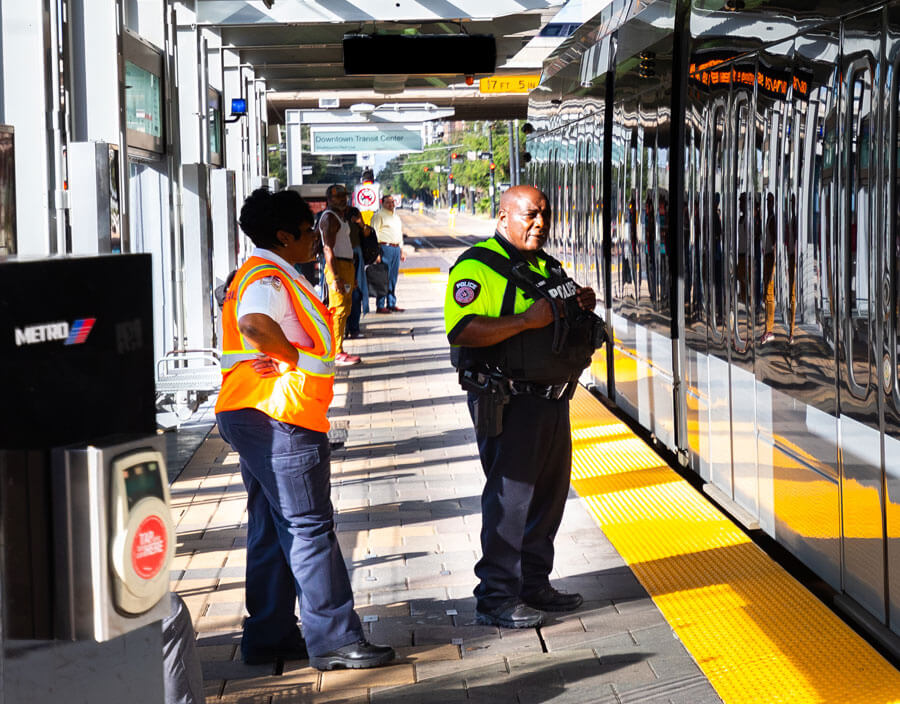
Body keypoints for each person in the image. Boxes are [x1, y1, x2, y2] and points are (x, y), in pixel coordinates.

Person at [215, 188, 394, 671]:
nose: (317, 241)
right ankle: (334, 639)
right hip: (280, 418)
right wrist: (290, 358)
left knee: (272, 528)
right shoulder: (269, 276)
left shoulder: (263, 271)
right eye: (308, 232)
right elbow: (254, 323)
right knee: (310, 528)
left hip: (252, 412)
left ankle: (269, 635)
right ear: (282, 236)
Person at [443, 185, 606, 629]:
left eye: (544, 215)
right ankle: (495, 596)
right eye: (530, 215)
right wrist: (524, 321)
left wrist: (579, 304)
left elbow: (555, 317)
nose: (540, 223)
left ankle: (534, 584)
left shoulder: (544, 265)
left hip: (553, 401)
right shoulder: (478, 267)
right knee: (511, 501)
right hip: (509, 401)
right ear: (503, 218)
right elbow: (462, 330)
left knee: (549, 498)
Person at [319, 184, 360, 365]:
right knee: (338, 310)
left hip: (346, 266)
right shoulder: (330, 218)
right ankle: (336, 352)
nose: (342, 200)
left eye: (344, 196)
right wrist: (336, 277)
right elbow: (328, 248)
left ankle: (339, 348)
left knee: (345, 309)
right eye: (337, 197)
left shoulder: (340, 218)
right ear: (329, 199)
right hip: (338, 267)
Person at [370, 194, 405, 313]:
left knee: (393, 278)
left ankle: (391, 303)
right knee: (383, 277)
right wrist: (377, 253)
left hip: (395, 248)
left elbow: (399, 234)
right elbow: (374, 234)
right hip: (385, 248)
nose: (391, 204)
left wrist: (401, 250)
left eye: (392, 202)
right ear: (382, 203)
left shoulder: (396, 217)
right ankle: (380, 305)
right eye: (388, 202)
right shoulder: (378, 215)